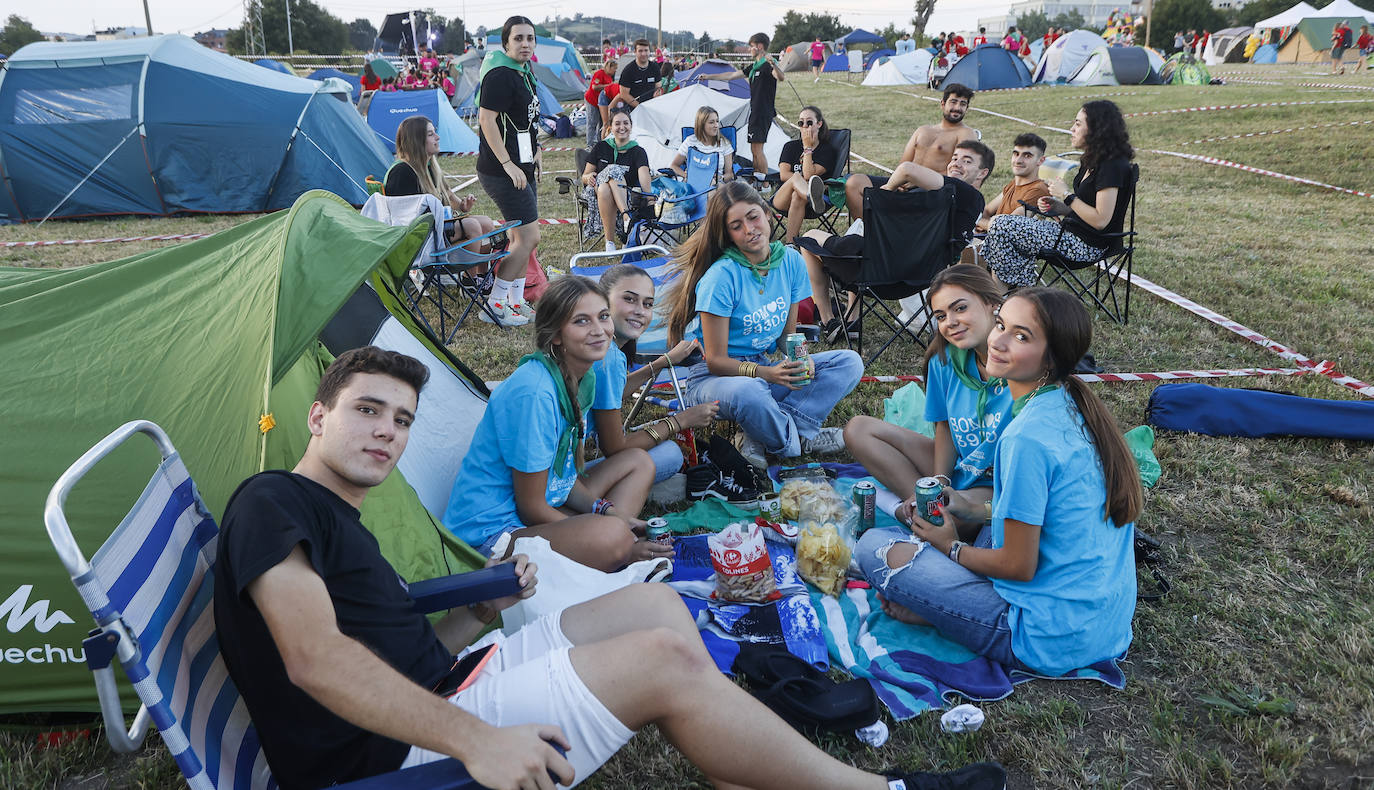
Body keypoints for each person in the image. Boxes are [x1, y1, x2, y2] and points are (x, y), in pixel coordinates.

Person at [214, 344, 1006, 790]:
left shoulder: (334, 517)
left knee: (659, 611)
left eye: (402, 420)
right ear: (317, 416)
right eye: (366, 411)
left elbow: (393, 639)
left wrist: (478, 611)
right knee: (660, 658)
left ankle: (743, 772)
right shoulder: (270, 504)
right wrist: (473, 742)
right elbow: (317, 661)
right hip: (387, 755)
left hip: (446, 680)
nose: (387, 432)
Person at [856, 287, 1141, 679]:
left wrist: (951, 547)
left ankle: (943, 613)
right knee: (977, 532)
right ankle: (944, 603)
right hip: (1103, 626)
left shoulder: (1024, 437)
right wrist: (968, 506)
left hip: (1043, 638)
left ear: (1051, 355)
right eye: (1002, 325)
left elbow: (1018, 566)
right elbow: (1034, 518)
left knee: (874, 547)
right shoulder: (1072, 402)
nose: (999, 341)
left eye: (1021, 336)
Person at [443, 276, 659, 571]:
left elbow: (563, 478)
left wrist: (607, 512)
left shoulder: (583, 377)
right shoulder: (535, 393)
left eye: (603, 316)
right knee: (613, 538)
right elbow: (531, 507)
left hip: (547, 501)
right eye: (582, 321)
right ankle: (608, 554)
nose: (600, 331)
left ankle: (605, 549)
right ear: (556, 335)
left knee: (638, 463)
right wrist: (603, 531)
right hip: (491, 533)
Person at [663, 181, 864, 469]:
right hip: (712, 380)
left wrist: (800, 358)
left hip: (762, 372)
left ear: (768, 214)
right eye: (736, 225)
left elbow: (788, 336)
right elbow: (716, 362)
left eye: (753, 216)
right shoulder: (721, 278)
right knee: (750, 391)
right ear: (728, 235)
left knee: (849, 362)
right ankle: (794, 443)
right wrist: (767, 373)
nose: (749, 229)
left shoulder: (791, 262)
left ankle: (763, 432)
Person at [843, 265, 1011, 538]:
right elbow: (944, 427)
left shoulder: (1019, 364)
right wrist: (939, 482)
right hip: (960, 467)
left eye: (960, 308)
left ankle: (899, 509)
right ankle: (919, 506)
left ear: (991, 303)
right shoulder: (943, 360)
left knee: (951, 520)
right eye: (941, 316)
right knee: (858, 429)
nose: (950, 322)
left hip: (997, 483)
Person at [799, 140, 993, 340]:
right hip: (919, 278)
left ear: (982, 173)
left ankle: (828, 321)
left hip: (871, 271)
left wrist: (886, 190)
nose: (956, 164)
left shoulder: (965, 193)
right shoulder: (960, 204)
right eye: (954, 158)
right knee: (861, 230)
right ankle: (852, 320)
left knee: (808, 238)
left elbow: (907, 169)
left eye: (967, 161)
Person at [590, 264, 719, 486]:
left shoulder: (603, 348)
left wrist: (663, 362)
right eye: (629, 299)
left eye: (647, 304)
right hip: (554, 486)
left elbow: (613, 390)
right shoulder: (607, 357)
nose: (640, 310)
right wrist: (681, 420)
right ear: (602, 301)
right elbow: (615, 448)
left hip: (545, 474)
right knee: (670, 454)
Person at [983, 100, 1134, 289]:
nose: (1072, 128)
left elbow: (1101, 220)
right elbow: (1085, 210)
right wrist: (1060, 207)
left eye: (1078, 124)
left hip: (1085, 246)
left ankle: (1009, 295)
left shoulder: (1112, 166)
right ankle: (1014, 293)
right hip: (1069, 233)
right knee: (1003, 226)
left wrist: (1067, 196)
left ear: (1097, 128)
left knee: (1001, 224)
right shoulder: (1093, 160)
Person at [476, 16, 543, 327]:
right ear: (505, 43)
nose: (525, 43)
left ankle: (514, 304)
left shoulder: (523, 73)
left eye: (530, 38)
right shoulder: (500, 75)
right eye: (518, 38)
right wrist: (507, 163)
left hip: (523, 166)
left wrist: (537, 151)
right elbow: (487, 121)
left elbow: (524, 121)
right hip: (502, 170)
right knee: (529, 237)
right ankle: (494, 304)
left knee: (522, 238)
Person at [844, 83, 978, 225]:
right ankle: (868, 233)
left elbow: (963, 172)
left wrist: (917, 178)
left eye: (963, 104)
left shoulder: (966, 133)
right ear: (943, 104)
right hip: (903, 183)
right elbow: (904, 163)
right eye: (953, 102)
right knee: (854, 183)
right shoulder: (923, 130)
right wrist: (900, 180)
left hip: (931, 191)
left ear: (967, 109)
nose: (957, 108)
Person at [384, 116, 498, 248]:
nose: (437, 137)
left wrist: (462, 206)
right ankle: (467, 269)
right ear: (416, 141)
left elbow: (448, 195)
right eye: (430, 134)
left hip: (435, 227)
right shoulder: (402, 172)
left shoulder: (430, 167)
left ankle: (481, 270)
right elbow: (404, 217)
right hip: (417, 237)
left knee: (487, 223)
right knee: (472, 226)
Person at [579, 109, 654, 252]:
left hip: (621, 194)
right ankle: (627, 218)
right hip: (595, 191)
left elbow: (644, 175)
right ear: (610, 128)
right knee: (612, 170)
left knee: (605, 188)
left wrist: (649, 197)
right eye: (617, 123)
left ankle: (610, 243)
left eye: (626, 123)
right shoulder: (601, 147)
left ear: (631, 126)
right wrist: (588, 177)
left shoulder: (638, 151)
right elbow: (584, 176)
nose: (622, 127)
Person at [716, 33, 785, 179]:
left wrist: (773, 63)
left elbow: (781, 77)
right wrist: (708, 77)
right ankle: (758, 179)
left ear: (760, 47)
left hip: (763, 112)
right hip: (755, 112)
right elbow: (731, 76)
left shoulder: (767, 65)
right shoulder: (754, 67)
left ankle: (764, 182)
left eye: (751, 47)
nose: (749, 50)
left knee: (758, 149)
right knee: (754, 149)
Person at [772, 105, 841, 244]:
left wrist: (807, 148)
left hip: (809, 204)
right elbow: (784, 175)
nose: (804, 126)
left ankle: (790, 245)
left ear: (819, 124)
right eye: (801, 123)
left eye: (809, 122)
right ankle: (810, 194)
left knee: (797, 195)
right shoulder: (790, 146)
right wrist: (801, 182)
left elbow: (809, 174)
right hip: (783, 198)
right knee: (795, 177)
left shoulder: (827, 150)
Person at [975, 132, 1051, 232]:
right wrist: (982, 221)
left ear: (1040, 161)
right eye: (1016, 154)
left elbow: (1007, 227)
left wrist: (975, 219)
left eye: (1027, 156)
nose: (1018, 160)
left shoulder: (1039, 190)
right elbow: (987, 210)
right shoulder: (1014, 183)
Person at [670, 105, 735, 181]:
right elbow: (674, 166)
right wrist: (687, 176)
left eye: (717, 121)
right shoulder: (690, 141)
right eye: (711, 122)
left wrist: (720, 178)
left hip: (715, 183)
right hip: (693, 182)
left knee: (712, 185)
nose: (716, 125)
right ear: (701, 125)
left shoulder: (724, 144)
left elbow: (729, 174)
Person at [611, 40, 660, 109]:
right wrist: (640, 107)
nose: (643, 54)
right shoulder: (628, 70)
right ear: (635, 52)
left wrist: (658, 93)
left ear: (649, 51)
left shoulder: (655, 67)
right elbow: (624, 94)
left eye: (646, 50)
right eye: (640, 51)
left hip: (651, 107)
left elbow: (658, 87)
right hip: (634, 109)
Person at [584, 59, 618, 147]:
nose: (615, 71)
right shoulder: (599, 73)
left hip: (601, 103)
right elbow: (594, 87)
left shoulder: (609, 77)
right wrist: (608, 86)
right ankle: (590, 144)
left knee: (601, 123)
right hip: (592, 100)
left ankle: (600, 142)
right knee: (592, 122)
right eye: (614, 68)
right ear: (609, 67)